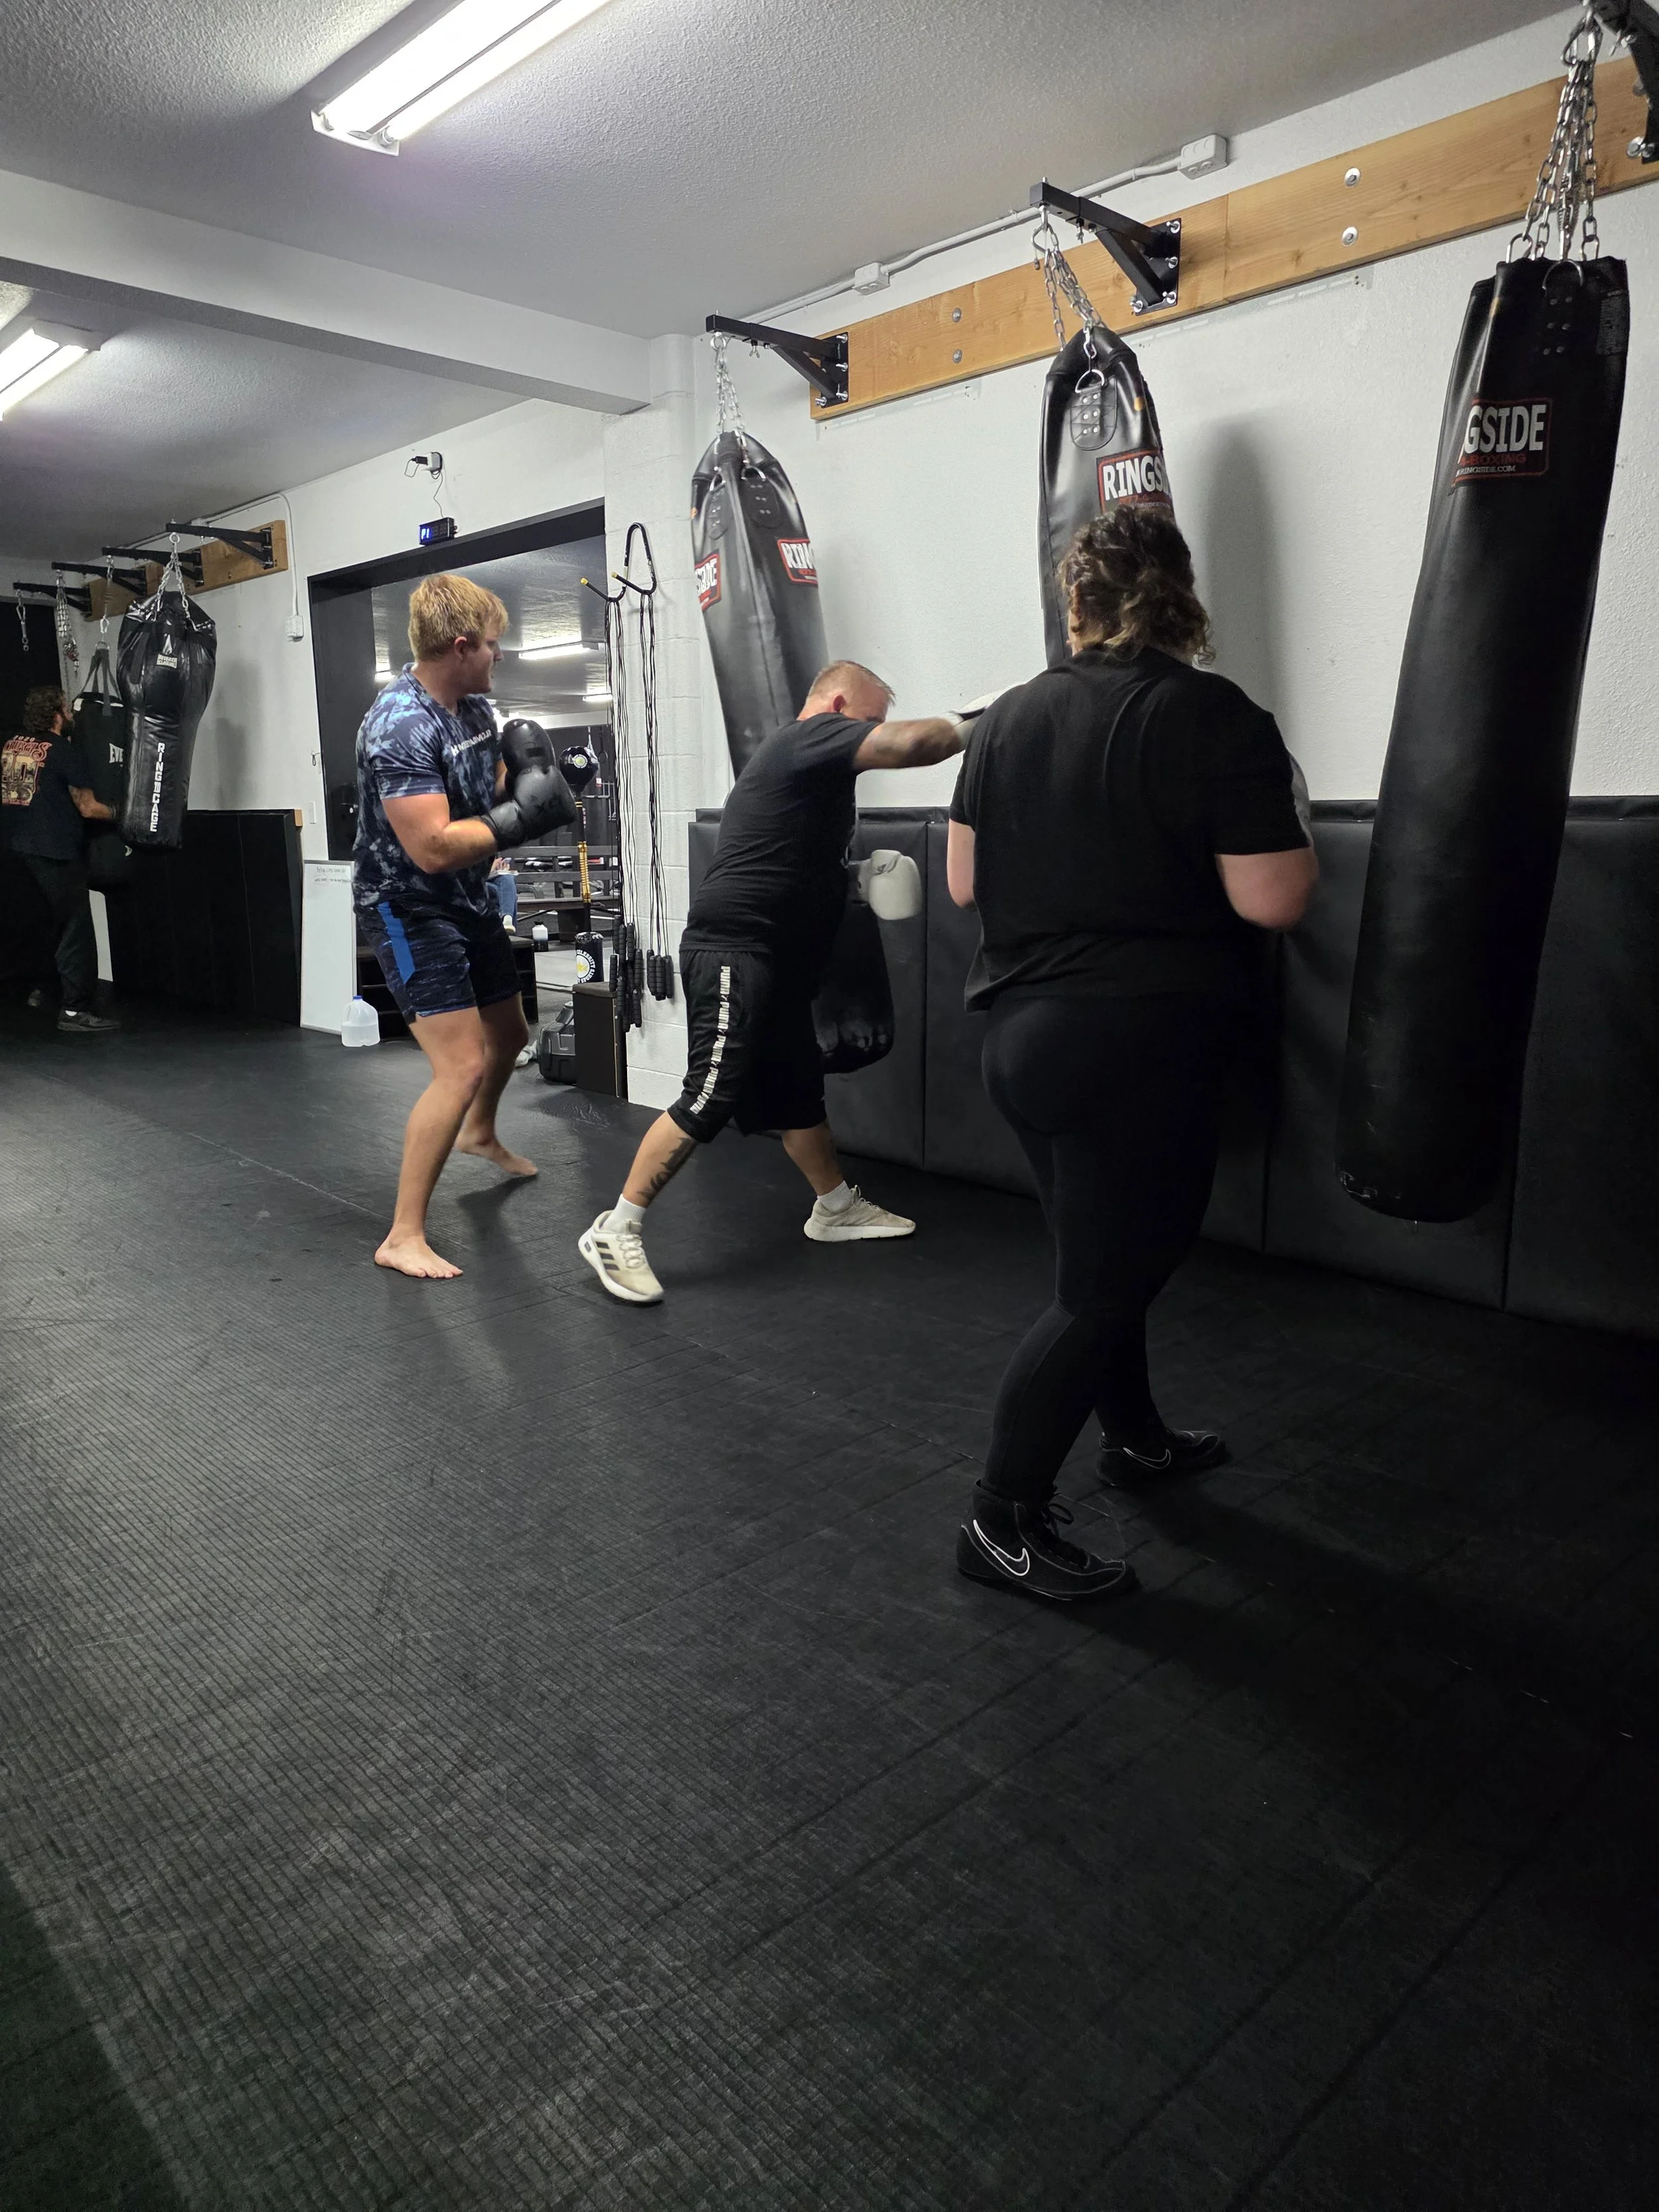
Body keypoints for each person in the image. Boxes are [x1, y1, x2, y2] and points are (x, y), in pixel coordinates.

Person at [948, 508, 1317, 1604]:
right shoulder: (1216, 717)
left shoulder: (1006, 720)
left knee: (1094, 1268)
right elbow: (1276, 895)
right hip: (1140, 1045)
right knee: (1107, 1289)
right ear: (1180, 599)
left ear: (1077, 602)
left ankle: (1139, 1435)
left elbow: (966, 885)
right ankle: (999, 1518)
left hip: (1021, 1041)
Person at [579, 660, 963, 1305]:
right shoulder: (806, 738)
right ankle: (616, 1228)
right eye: (868, 722)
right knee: (709, 1095)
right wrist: (987, 720)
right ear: (838, 705)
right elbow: (916, 744)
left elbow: (783, 864)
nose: (870, 738)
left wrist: (856, 878)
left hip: (777, 955)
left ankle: (834, 1207)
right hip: (732, 949)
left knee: (796, 1089)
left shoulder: (813, 777)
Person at [354, 573, 575, 1280]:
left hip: (470, 897)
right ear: (459, 646)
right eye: (492, 646)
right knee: (460, 1065)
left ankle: (479, 1133)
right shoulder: (399, 726)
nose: (498, 657)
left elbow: (494, 794)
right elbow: (432, 845)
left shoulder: (475, 707)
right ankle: (403, 1234)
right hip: (407, 906)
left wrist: (551, 783)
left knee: (510, 1035)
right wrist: (521, 821)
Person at [1, 684, 119, 1033]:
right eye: (67, 710)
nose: (71, 716)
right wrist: (124, 814)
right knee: (75, 928)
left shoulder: (11, 746)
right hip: (53, 851)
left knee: (40, 922)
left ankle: (41, 989)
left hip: (17, 849)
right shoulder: (61, 750)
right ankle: (74, 1011)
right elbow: (88, 806)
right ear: (56, 715)